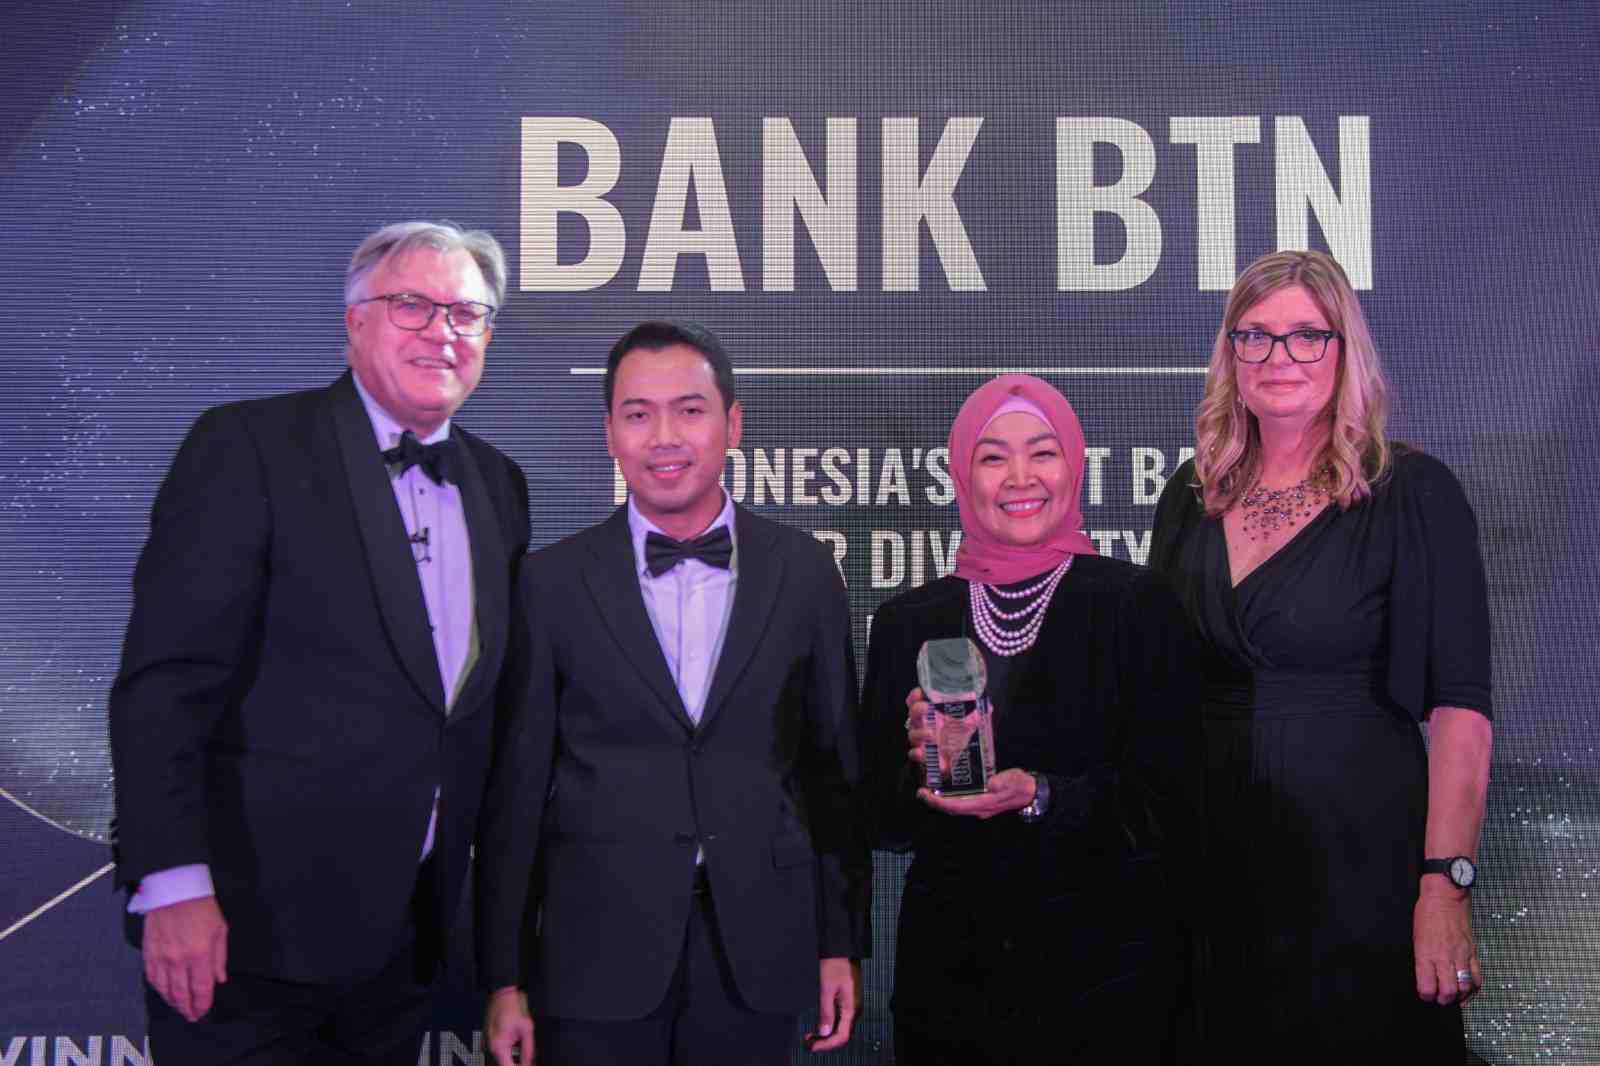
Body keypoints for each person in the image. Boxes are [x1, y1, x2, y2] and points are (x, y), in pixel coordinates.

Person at [108, 220, 530, 1064]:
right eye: (412, 306)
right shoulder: (248, 447)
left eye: (465, 314)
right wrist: (172, 883)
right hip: (243, 939)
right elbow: (166, 683)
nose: (442, 332)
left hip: (404, 951)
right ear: (355, 320)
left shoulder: (500, 484)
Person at [477, 321, 869, 1066]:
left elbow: (833, 777)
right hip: (593, 953)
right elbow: (516, 794)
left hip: (761, 949)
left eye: (689, 410)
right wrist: (504, 977)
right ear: (609, 433)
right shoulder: (549, 584)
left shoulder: (805, 573)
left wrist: (839, 942)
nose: (664, 437)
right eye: (638, 414)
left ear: (733, 424)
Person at [1148, 249, 1494, 1060]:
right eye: (1256, 335)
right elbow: (1153, 686)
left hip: (1359, 865)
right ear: (1231, 353)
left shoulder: (1412, 491)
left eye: (1307, 335)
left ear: (1345, 349)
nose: (1280, 357)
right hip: (1206, 867)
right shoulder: (1190, 495)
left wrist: (1444, 885)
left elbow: (1461, 710)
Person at [860, 374, 1201, 1065]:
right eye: (993, 457)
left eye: (1042, 453)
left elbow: (1172, 801)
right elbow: (882, 822)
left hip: (1108, 980)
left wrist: (1042, 795)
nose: (1020, 477)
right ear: (963, 474)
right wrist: (917, 763)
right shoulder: (908, 622)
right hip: (950, 985)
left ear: (1073, 465)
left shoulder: (1137, 605)